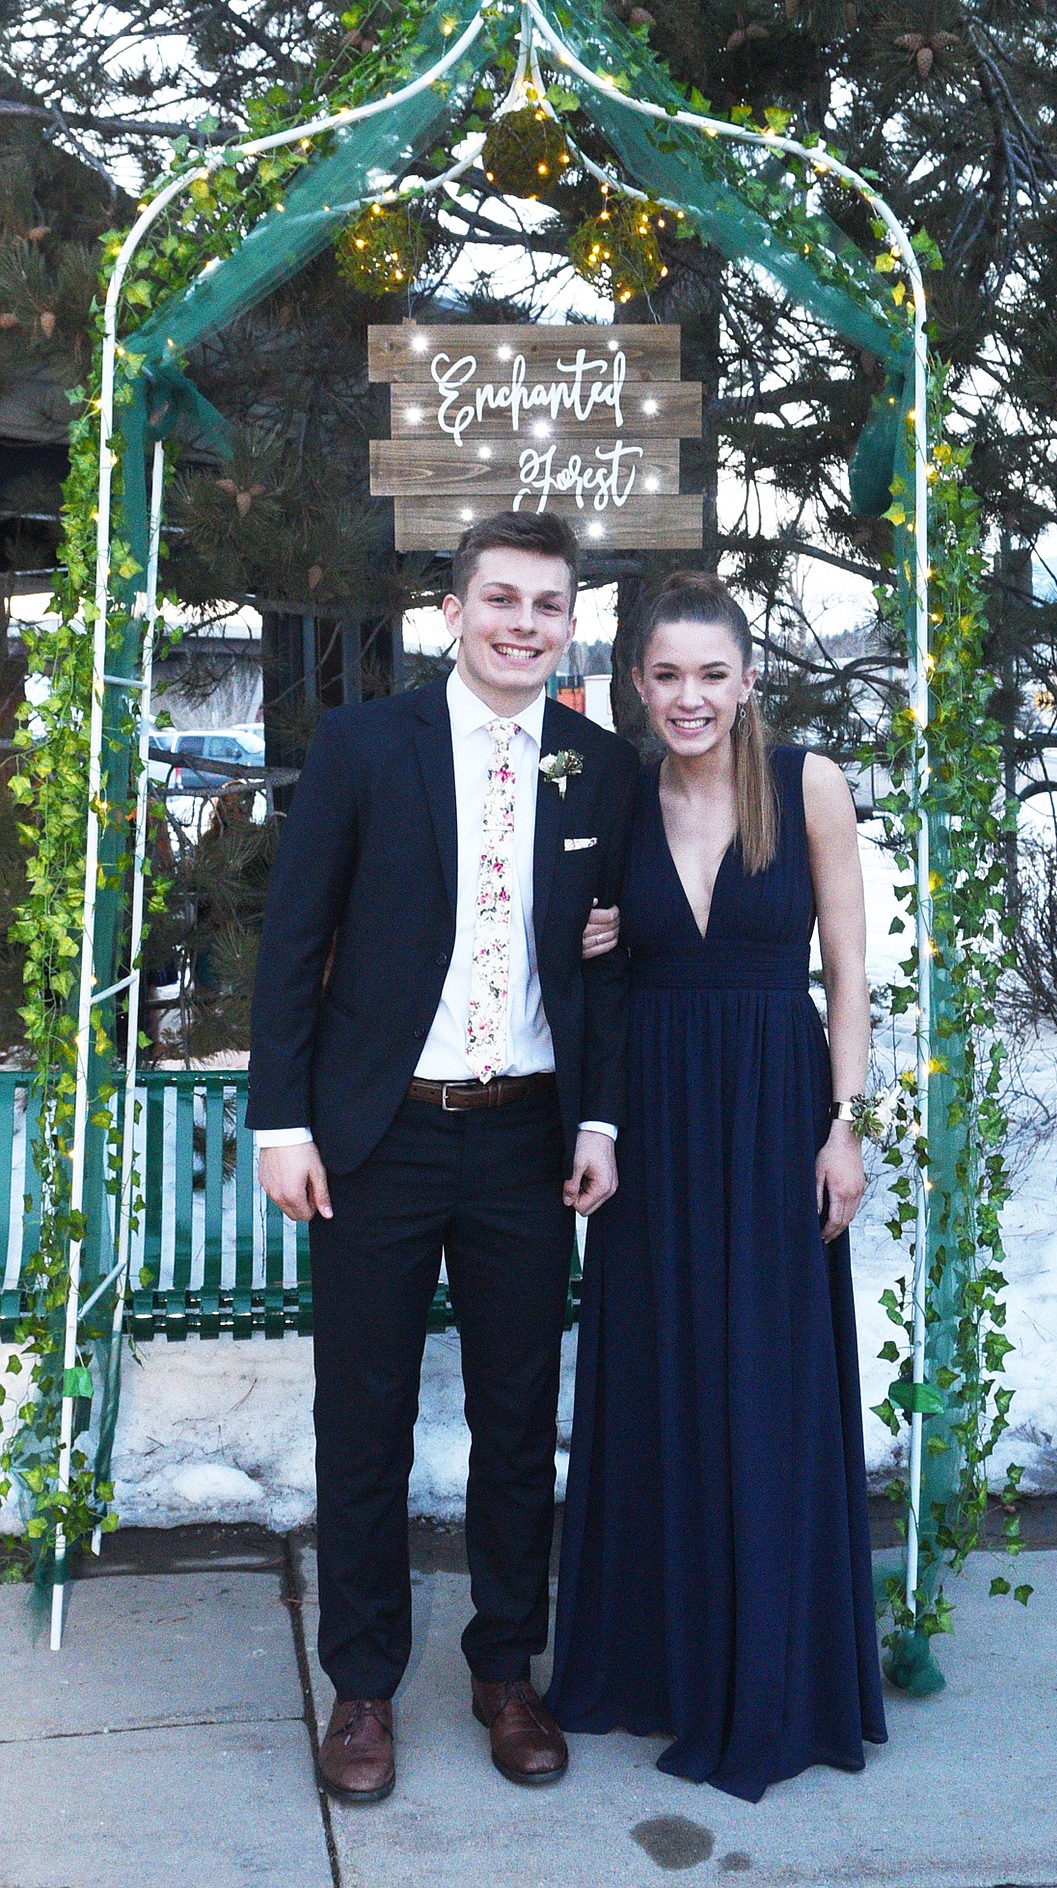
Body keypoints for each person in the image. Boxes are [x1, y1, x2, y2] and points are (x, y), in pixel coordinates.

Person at [247, 510, 638, 1802]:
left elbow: (606, 967)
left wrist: (596, 1119)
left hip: (527, 1139)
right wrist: (282, 1121)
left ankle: (503, 1670)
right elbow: (293, 936)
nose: (524, 623)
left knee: (517, 1422)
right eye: (502, 599)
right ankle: (361, 1688)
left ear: (568, 622)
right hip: (380, 1138)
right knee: (361, 1418)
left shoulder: (595, 764)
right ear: (456, 610)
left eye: (547, 604)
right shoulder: (368, 743)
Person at [548, 570, 888, 1803]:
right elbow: (569, 942)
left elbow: (848, 970)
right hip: (652, 1119)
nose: (689, 697)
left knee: (767, 1380)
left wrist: (843, 1125)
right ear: (636, 685)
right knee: (657, 1375)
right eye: (666, 675)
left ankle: (775, 1676)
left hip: (772, 1109)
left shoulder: (806, 786)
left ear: (749, 683)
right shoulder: (620, 801)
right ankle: (654, 1666)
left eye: (712, 674)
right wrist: (593, 937)